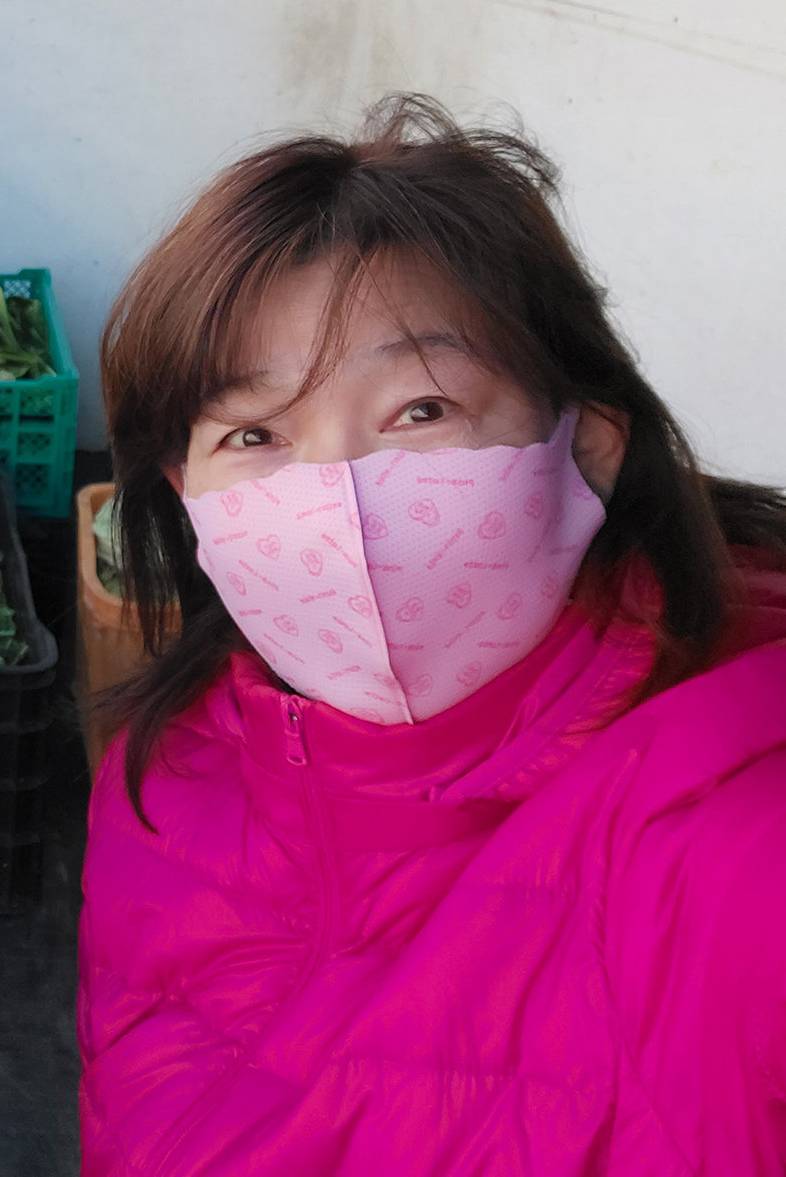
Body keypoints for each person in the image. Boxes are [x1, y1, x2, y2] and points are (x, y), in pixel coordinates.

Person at [78, 97, 786, 1175]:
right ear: (189, 494)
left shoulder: (718, 825)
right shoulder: (166, 776)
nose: (338, 499)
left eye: (419, 411)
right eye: (256, 433)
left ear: (584, 446)